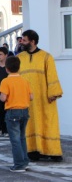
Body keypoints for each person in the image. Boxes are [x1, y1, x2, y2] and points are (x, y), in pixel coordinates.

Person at [18, 29, 64, 162]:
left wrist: (53, 93)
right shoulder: (20, 57)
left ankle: (53, 151)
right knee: (30, 123)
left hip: (44, 98)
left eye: (25, 40)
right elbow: (17, 77)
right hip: (28, 98)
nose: (22, 42)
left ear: (33, 41)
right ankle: (33, 151)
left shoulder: (46, 57)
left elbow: (52, 75)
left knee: (47, 122)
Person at [0, 56, 33, 172]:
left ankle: (18, 165)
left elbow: (3, 98)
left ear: (7, 68)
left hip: (12, 111)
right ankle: (25, 161)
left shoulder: (5, 81)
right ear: (19, 67)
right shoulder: (25, 81)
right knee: (22, 138)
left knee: (15, 140)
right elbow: (31, 97)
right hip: (24, 110)